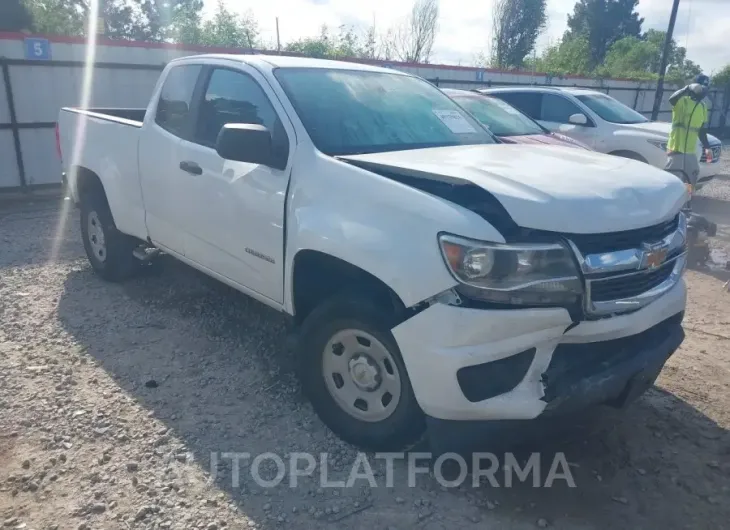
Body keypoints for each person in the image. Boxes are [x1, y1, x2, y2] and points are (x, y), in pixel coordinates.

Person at [665, 74, 713, 194]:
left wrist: (707, 147)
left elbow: (701, 130)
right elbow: (672, 100)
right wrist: (687, 89)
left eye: (706, 87)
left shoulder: (702, 106)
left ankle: (686, 201)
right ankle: (666, 204)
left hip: (691, 151)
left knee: (692, 176)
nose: (704, 90)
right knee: (671, 179)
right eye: (702, 87)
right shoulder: (683, 101)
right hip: (676, 149)